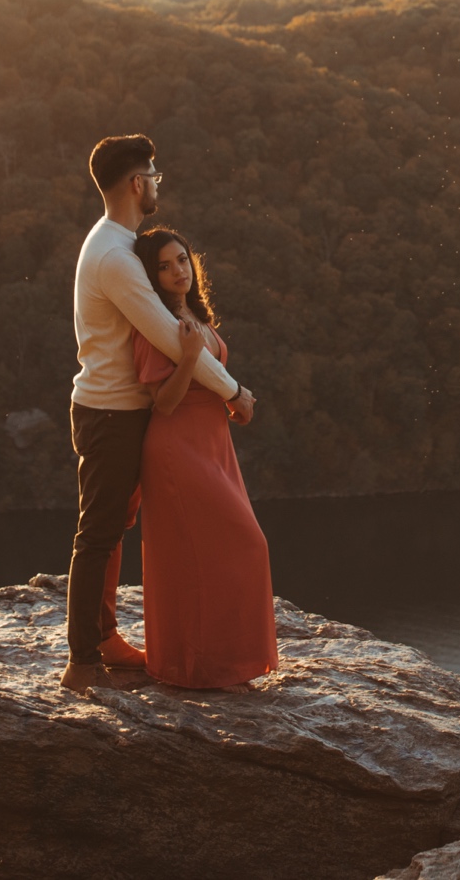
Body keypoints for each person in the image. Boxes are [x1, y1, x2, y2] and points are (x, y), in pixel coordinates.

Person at [62, 135, 257, 693]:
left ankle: (102, 639)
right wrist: (233, 391)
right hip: (110, 414)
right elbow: (174, 342)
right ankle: (81, 662)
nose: (156, 185)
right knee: (97, 534)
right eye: (154, 176)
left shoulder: (114, 245)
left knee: (113, 529)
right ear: (135, 184)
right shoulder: (115, 258)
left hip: (120, 412)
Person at [130, 225, 278, 688]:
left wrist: (232, 401)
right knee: (236, 546)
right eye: (165, 265)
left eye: (182, 260)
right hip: (178, 449)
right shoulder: (155, 324)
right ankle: (196, 667)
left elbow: (211, 383)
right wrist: (191, 356)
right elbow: (164, 402)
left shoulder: (193, 315)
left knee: (212, 556)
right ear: (150, 276)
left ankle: (220, 664)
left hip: (213, 444)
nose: (179, 271)